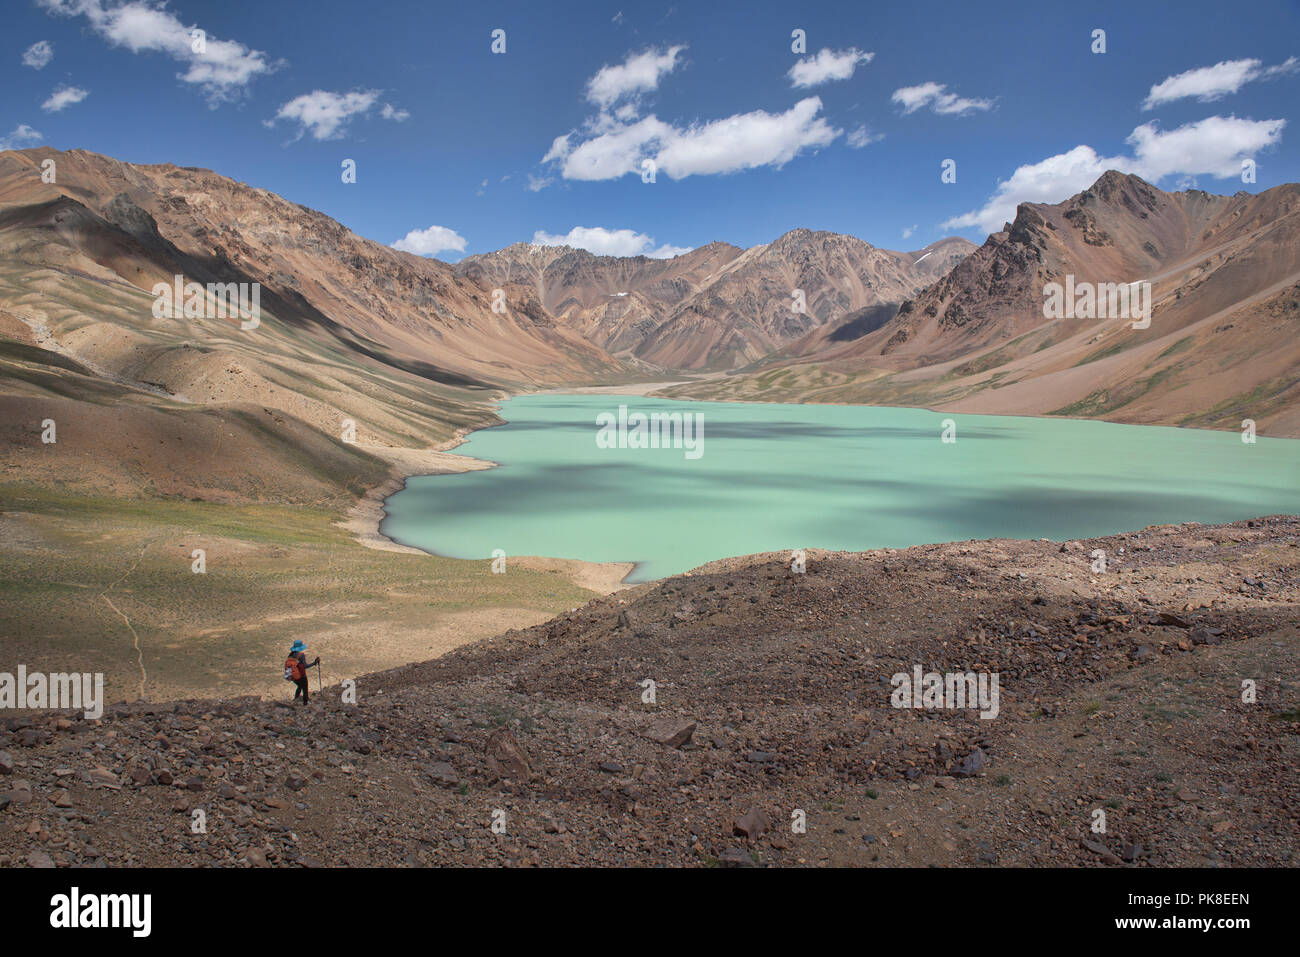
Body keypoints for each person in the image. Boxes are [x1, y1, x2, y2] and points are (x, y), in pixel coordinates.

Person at [284, 640, 319, 705]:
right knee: (305, 688)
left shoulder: (290, 655)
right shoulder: (301, 655)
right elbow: (305, 666)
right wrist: (314, 663)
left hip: (292, 676)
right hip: (301, 675)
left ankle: (296, 699)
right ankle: (305, 703)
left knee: (299, 686)